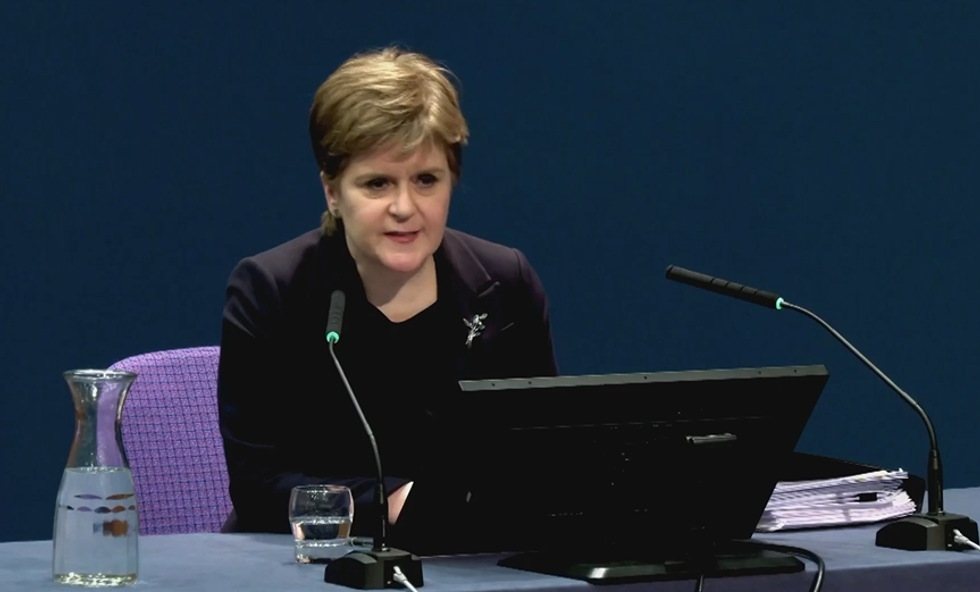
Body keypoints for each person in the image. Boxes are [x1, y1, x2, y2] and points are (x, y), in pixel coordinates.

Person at [216, 47, 559, 552]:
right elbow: (258, 485)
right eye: (377, 183)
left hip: (474, 561)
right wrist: (389, 502)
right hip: (312, 565)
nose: (405, 208)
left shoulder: (504, 282)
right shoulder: (272, 291)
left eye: (426, 180)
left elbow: (545, 455)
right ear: (332, 191)